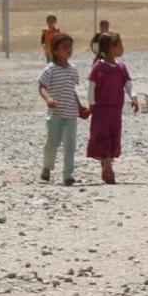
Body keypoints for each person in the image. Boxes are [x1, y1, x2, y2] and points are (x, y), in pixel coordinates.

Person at [37, 32, 89, 185]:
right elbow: (42, 87)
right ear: (55, 50)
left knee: (70, 146)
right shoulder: (50, 69)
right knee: (52, 143)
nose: (69, 50)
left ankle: (68, 175)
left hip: (71, 114)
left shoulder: (72, 69)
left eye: (70, 47)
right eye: (65, 47)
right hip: (55, 114)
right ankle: (47, 167)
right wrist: (48, 99)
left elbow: (73, 90)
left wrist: (80, 108)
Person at [87, 30, 132, 185]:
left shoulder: (121, 67)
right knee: (102, 136)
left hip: (115, 109)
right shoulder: (99, 67)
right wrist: (91, 103)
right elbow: (92, 86)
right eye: (120, 44)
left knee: (113, 135)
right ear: (111, 47)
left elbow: (127, 83)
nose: (122, 48)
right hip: (101, 109)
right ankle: (108, 165)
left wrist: (134, 97)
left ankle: (107, 163)